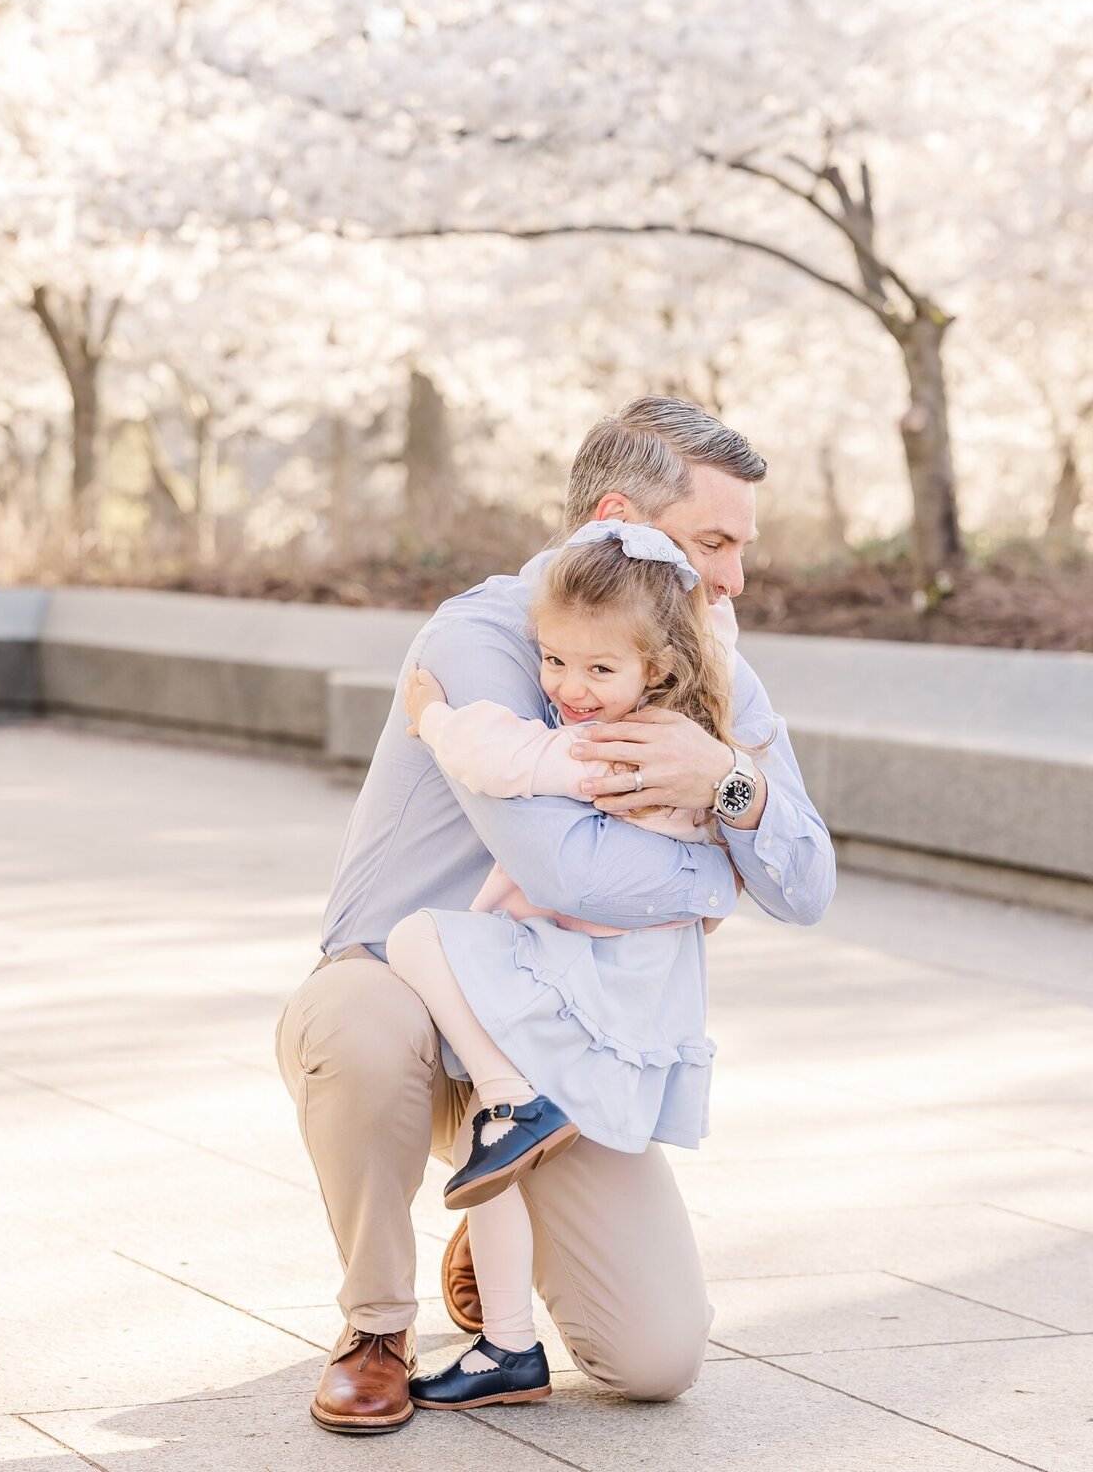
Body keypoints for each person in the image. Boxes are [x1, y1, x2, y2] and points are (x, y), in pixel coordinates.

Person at [275, 395, 836, 1435]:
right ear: (618, 518)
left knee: (657, 1360)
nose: (735, 579)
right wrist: (723, 876)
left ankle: (507, 1192)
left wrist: (729, 785)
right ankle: (377, 1327)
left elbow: (806, 878)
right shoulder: (484, 635)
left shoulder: (704, 656)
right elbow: (566, 873)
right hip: (403, 989)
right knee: (365, 1026)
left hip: (553, 1022)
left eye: (741, 549)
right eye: (714, 542)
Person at [385, 519, 751, 1410]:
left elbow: (505, 757)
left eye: (598, 670)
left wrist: (428, 715)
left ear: (656, 670)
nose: (568, 689)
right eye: (553, 662)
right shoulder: (687, 719)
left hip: (590, 979)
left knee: (417, 941)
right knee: (495, 1157)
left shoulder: (622, 745)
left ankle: (513, 1096)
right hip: (607, 980)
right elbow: (714, 643)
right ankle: (507, 1346)